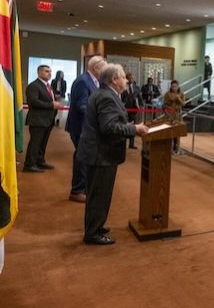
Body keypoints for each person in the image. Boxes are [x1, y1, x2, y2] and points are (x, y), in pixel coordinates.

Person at [79, 63, 149, 245]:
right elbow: (108, 127)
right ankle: (93, 234)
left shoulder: (107, 94)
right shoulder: (107, 97)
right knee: (99, 195)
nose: (126, 80)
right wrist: (134, 128)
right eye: (123, 77)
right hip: (101, 154)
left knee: (99, 194)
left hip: (100, 153)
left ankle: (96, 226)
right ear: (114, 80)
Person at [66, 56, 107, 202]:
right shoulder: (83, 81)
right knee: (82, 158)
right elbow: (82, 105)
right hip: (80, 127)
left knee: (86, 158)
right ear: (96, 68)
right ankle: (77, 190)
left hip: (87, 127)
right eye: (104, 67)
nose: (106, 70)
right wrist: (98, 117)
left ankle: (83, 187)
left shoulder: (94, 81)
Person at [23, 65, 63, 173]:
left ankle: (40, 161)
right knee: (35, 143)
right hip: (37, 120)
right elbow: (33, 102)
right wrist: (51, 104)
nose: (49, 73)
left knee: (43, 143)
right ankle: (29, 164)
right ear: (39, 73)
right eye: (46, 71)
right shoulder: (34, 86)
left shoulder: (48, 86)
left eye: (50, 71)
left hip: (48, 120)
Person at [120, 73, 143, 149]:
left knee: (133, 126)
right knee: (124, 125)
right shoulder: (122, 86)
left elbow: (139, 97)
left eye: (132, 78)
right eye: (129, 78)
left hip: (134, 109)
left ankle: (131, 144)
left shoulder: (137, 88)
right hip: (124, 109)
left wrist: (141, 105)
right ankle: (123, 143)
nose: (130, 80)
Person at [163, 80, 185, 154]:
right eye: (172, 86)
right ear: (171, 87)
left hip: (178, 116)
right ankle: (169, 148)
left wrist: (178, 98)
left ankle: (176, 148)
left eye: (175, 86)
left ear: (178, 87)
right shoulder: (167, 94)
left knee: (177, 133)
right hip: (169, 115)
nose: (174, 88)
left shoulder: (181, 94)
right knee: (169, 132)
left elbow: (183, 104)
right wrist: (169, 103)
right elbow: (164, 105)